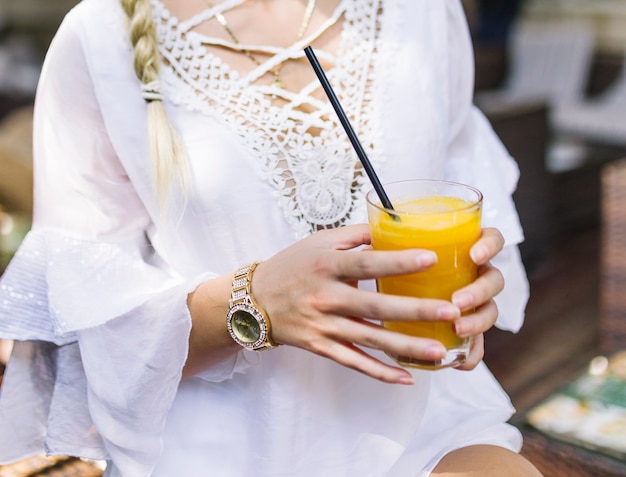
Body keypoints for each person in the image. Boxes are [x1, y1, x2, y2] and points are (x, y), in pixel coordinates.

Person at [0, 0, 542, 475]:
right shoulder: (100, 38)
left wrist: (473, 282)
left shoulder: (421, 11)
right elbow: (87, 346)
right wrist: (252, 301)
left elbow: (459, 186)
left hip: (423, 418)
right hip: (223, 449)